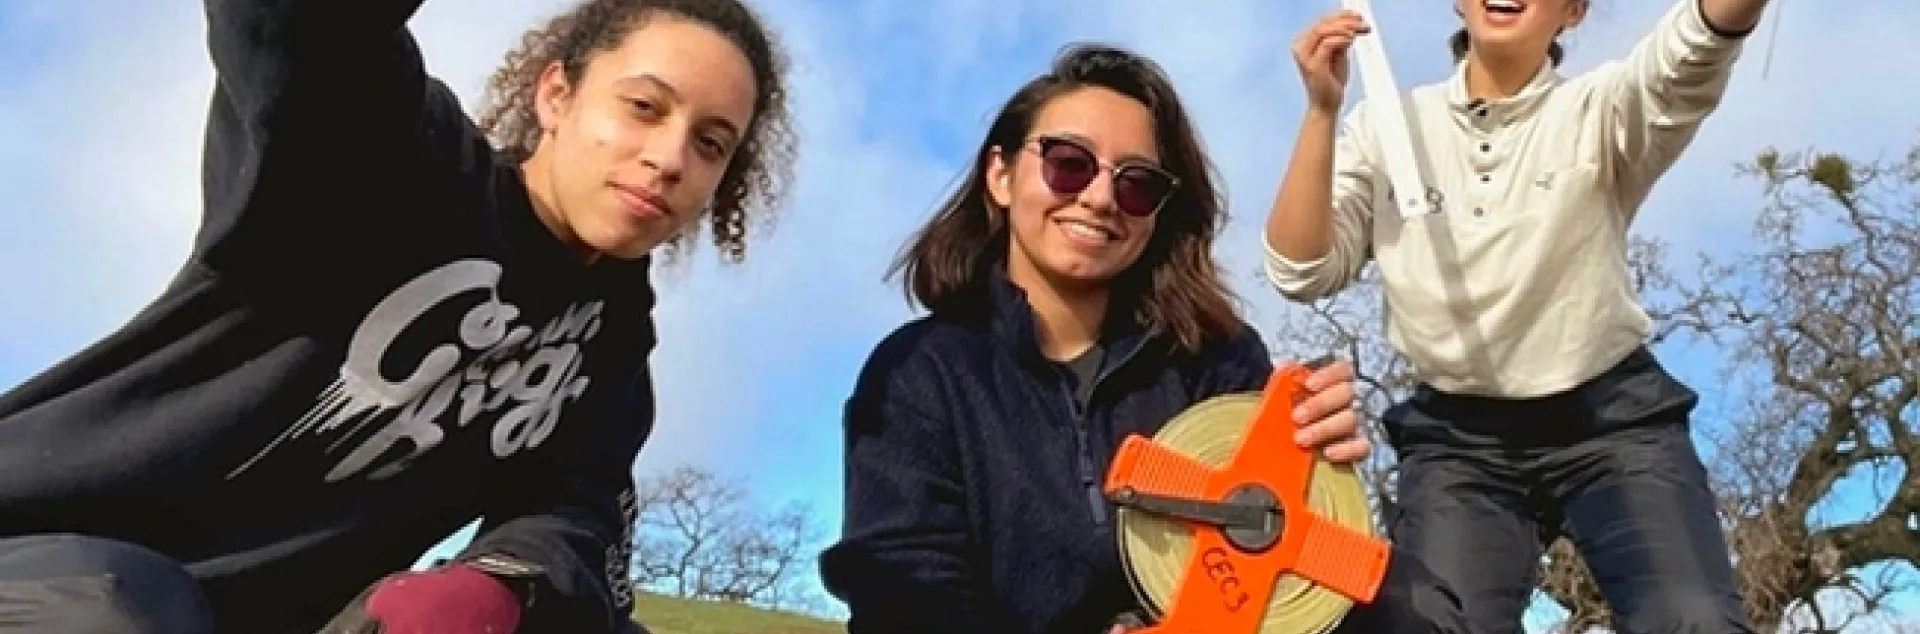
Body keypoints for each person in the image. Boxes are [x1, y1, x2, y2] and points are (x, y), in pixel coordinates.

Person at [0, 0, 794, 632]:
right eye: (644, 106)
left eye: (712, 143)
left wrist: (494, 588)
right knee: (127, 605)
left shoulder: (611, 356)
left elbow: (572, 521)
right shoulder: (398, 169)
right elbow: (309, 38)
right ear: (556, 94)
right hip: (43, 557)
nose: (670, 157)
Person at [818, 42, 1470, 634]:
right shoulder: (917, 374)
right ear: (1001, 174)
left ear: (1158, 214)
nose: (1101, 198)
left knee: (1407, 600)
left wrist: (1318, 474)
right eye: (1069, 164)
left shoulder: (1217, 359)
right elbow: (904, 591)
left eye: (1137, 184)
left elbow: (1280, 565)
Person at [1265, 1, 1772, 633]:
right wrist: (1321, 111)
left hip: (1613, 421)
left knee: (1693, 619)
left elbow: (1692, 51)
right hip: (1458, 441)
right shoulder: (1385, 127)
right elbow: (1301, 271)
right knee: (1424, 625)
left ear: (1575, 11)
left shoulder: (1604, 110)